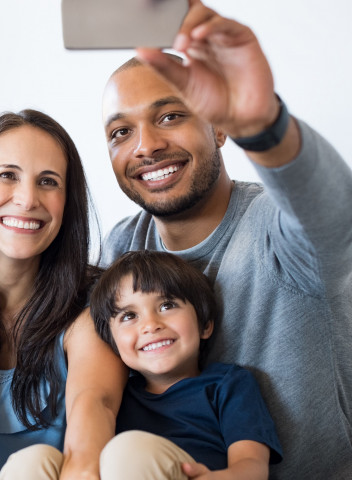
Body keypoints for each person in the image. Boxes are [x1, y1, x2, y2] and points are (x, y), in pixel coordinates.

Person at [100, 1, 352, 478]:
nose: (145, 145)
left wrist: (262, 125)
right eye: (120, 132)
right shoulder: (121, 248)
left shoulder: (273, 230)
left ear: (218, 127)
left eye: (170, 116)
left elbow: (334, 220)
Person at [0, 109, 126, 480]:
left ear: (67, 203)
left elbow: (96, 402)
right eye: (8, 175)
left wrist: (85, 466)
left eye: (48, 182)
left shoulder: (91, 306)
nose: (27, 200)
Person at [91, 250, 282, 479]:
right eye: (129, 316)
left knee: (125, 450)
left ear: (205, 325)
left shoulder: (228, 384)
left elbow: (252, 465)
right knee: (40, 457)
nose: (150, 325)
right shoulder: (116, 398)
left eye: (167, 305)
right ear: (112, 342)